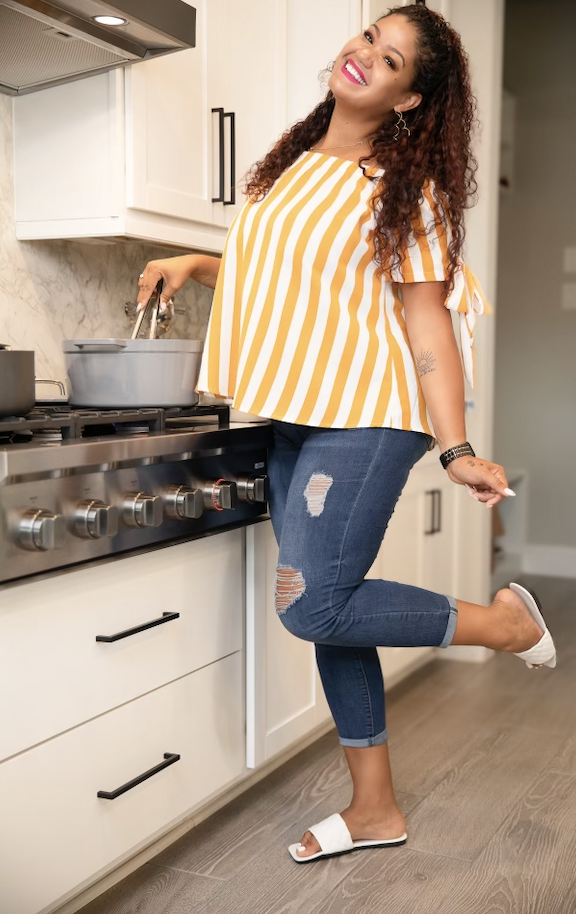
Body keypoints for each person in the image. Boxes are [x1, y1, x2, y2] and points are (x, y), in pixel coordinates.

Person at [137, 4, 556, 864]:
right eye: (371, 37)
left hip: (366, 417)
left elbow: (428, 327)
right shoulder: (292, 163)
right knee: (331, 613)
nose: (365, 55)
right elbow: (287, 276)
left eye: (391, 59)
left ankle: (507, 626)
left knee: (315, 603)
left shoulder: (406, 191)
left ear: (407, 99)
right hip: (295, 415)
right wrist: (197, 263)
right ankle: (375, 809)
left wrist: (456, 448)